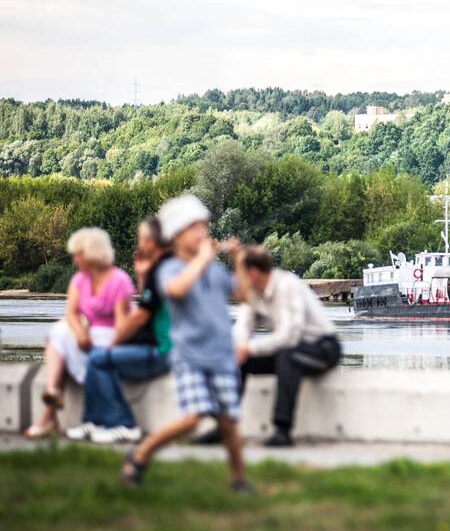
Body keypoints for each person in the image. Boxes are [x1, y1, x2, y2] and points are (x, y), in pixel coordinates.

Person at [121, 195, 249, 493]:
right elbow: (176, 291)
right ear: (177, 235)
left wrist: (237, 260)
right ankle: (140, 455)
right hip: (190, 355)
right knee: (193, 418)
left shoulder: (215, 271)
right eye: (194, 227)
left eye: (204, 226)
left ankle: (238, 480)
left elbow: (242, 294)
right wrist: (203, 259)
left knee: (228, 423)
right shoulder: (169, 269)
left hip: (221, 356)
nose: (202, 232)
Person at [203, 245, 341, 447]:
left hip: (323, 348)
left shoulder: (287, 285)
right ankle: (224, 426)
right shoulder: (254, 292)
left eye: (240, 273)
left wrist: (249, 348)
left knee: (287, 356)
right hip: (292, 348)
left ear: (253, 273)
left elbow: (290, 336)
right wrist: (239, 349)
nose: (238, 279)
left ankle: (282, 431)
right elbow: (242, 327)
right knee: (240, 358)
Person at [66, 217, 172, 444]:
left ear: (151, 240)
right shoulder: (162, 268)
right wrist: (142, 275)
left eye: (141, 238)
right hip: (155, 345)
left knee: (100, 359)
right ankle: (94, 421)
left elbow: (141, 315)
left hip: (163, 350)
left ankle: (124, 423)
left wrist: (115, 344)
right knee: (98, 358)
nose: (140, 243)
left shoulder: (163, 269)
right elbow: (151, 304)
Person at [25, 228, 135, 439]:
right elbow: (71, 313)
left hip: (111, 337)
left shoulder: (119, 280)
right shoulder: (79, 280)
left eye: (78, 254)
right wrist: (81, 334)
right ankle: (53, 393)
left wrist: (108, 346)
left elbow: (123, 323)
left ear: (92, 253)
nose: (74, 260)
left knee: (60, 343)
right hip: (88, 335)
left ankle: (48, 415)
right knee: (58, 331)